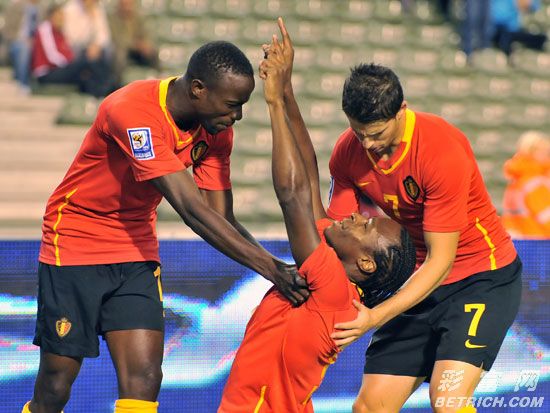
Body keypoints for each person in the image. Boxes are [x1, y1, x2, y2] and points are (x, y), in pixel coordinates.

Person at [21, 40, 309, 413]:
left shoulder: (216, 130)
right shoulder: (132, 111)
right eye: (232, 105)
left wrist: (278, 267)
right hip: (75, 242)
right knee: (56, 385)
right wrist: (272, 269)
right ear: (198, 89)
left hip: (135, 247)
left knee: (145, 378)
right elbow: (190, 209)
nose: (237, 116)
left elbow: (220, 216)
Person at [218, 19, 416, 413]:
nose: (356, 216)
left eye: (366, 225)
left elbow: (292, 195)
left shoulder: (332, 287)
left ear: (365, 262)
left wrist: (274, 104)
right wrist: (286, 88)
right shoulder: (337, 277)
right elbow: (309, 177)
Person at [324, 63, 522, 411]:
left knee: (447, 402)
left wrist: (376, 316)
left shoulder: (440, 150)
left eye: (376, 133)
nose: (367, 144)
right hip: (418, 280)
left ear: (401, 110)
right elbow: (337, 235)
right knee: (368, 408)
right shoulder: (347, 151)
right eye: (358, 132)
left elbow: (441, 260)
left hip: (481, 279)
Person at [31, 3, 114, 97]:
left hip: (60, 69)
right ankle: (110, 86)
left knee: (86, 76)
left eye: (62, 17)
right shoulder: (45, 29)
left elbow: (68, 52)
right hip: (47, 73)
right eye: (58, 16)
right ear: (51, 17)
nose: (61, 19)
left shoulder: (59, 32)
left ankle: (100, 95)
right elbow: (52, 56)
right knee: (86, 61)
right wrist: (71, 65)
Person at [502, 130, 550, 239]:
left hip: (520, 241)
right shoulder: (534, 182)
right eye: (544, 151)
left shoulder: (516, 180)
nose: (547, 155)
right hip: (539, 241)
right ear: (532, 152)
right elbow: (546, 217)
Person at [108, 0, 159, 87]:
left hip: (138, 51)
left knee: (152, 51)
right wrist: (135, 45)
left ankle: (158, 81)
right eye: (124, 4)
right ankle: (117, 85)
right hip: (123, 50)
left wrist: (145, 44)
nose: (127, 7)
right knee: (120, 55)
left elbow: (145, 34)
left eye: (129, 4)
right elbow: (118, 39)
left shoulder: (138, 18)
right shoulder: (112, 19)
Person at [3, 0, 41, 93]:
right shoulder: (16, 7)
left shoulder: (41, 8)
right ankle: (24, 84)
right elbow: (7, 30)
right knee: (23, 49)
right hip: (17, 40)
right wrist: (20, 39)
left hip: (37, 41)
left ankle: (39, 81)